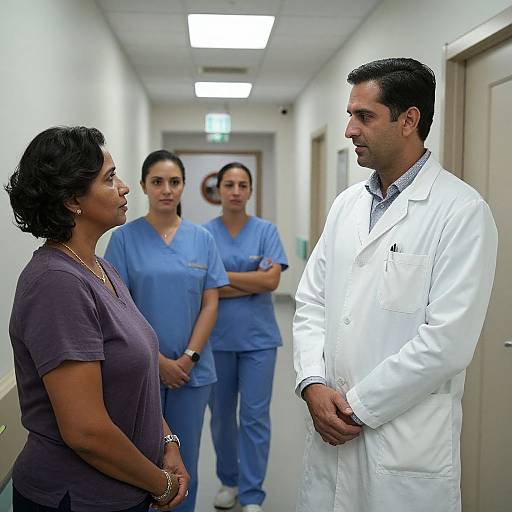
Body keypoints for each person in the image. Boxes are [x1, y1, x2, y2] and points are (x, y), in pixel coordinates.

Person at [293, 58, 498, 512]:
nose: (349, 130)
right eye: (350, 115)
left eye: (363, 116)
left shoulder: (461, 212)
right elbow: (311, 301)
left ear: (409, 120)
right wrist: (311, 382)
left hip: (401, 440)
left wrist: (356, 407)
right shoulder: (346, 205)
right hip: (330, 427)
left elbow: (447, 342)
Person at [6, 127, 189, 512]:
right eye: (109, 178)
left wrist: (167, 442)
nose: (124, 188)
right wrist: (161, 482)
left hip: (124, 488)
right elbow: (85, 430)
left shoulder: (100, 268)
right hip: (76, 498)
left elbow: (132, 385)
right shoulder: (57, 284)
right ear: (73, 198)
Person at [104, 150, 228, 512]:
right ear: (143, 186)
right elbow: (118, 310)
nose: (166, 190)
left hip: (194, 372)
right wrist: (157, 362)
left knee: (185, 458)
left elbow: (211, 302)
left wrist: (188, 358)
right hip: (140, 372)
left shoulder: (202, 239)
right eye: (157, 182)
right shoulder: (124, 239)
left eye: (174, 182)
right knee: (143, 460)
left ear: (184, 187)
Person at [203, 163, 288, 512]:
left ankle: (252, 494)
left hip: (259, 341)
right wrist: (248, 279)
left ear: (250, 191)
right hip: (216, 340)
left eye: (242, 185)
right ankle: (230, 481)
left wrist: (224, 280)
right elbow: (205, 289)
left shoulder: (266, 231)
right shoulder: (203, 235)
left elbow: (270, 282)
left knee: (254, 417)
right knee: (221, 417)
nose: (236, 191)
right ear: (217, 190)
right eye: (229, 184)